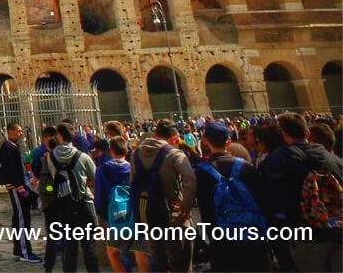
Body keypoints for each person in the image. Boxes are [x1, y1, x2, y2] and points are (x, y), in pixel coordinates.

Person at [259, 112, 343, 273]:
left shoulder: (276, 162)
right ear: (308, 133)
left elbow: (271, 202)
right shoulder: (335, 160)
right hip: (337, 232)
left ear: (283, 135)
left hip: (305, 235)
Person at [194, 122, 269, 272]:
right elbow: (263, 199)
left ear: (206, 141)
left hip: (219, 236)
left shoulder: (200, 172)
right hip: (251, 234)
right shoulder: (246, 167)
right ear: (229, 142)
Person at [128, 120, 196, 273]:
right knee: (182, 261)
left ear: (155, 134)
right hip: (172, 214)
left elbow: (132, 182)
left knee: (160, 260)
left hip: (148, 214)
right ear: (173, 138)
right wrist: (185, 206)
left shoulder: (136, 153)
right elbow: (190, 180)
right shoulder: (174, 154)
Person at [39, 123, 100, 272]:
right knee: (89, 244)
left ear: (59, 136)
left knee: (70, 245)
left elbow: (48, 182)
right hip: (85, 203)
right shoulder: (83, 157)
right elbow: (97, 179)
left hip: (64, 205)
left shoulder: (49, 158)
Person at [94, 137, 139, 273]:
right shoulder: (133, 168)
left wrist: (102, 214)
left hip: (112, 214)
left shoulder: (102, 170)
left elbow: (99, 195)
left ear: (111, 151)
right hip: (133, 213)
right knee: (138, 249)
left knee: (115, 251)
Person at [0, 122, 41, 263]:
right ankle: (24, 252)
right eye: (18, 131)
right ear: (10, 131)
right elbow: (12, 170)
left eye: (21, 131)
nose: (21, 133)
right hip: (16, 187)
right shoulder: (7, 148)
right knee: (22, 218)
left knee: (21, 217)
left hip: (20, 185)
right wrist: (20, 187)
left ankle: (19, 249)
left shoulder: (14, 147)